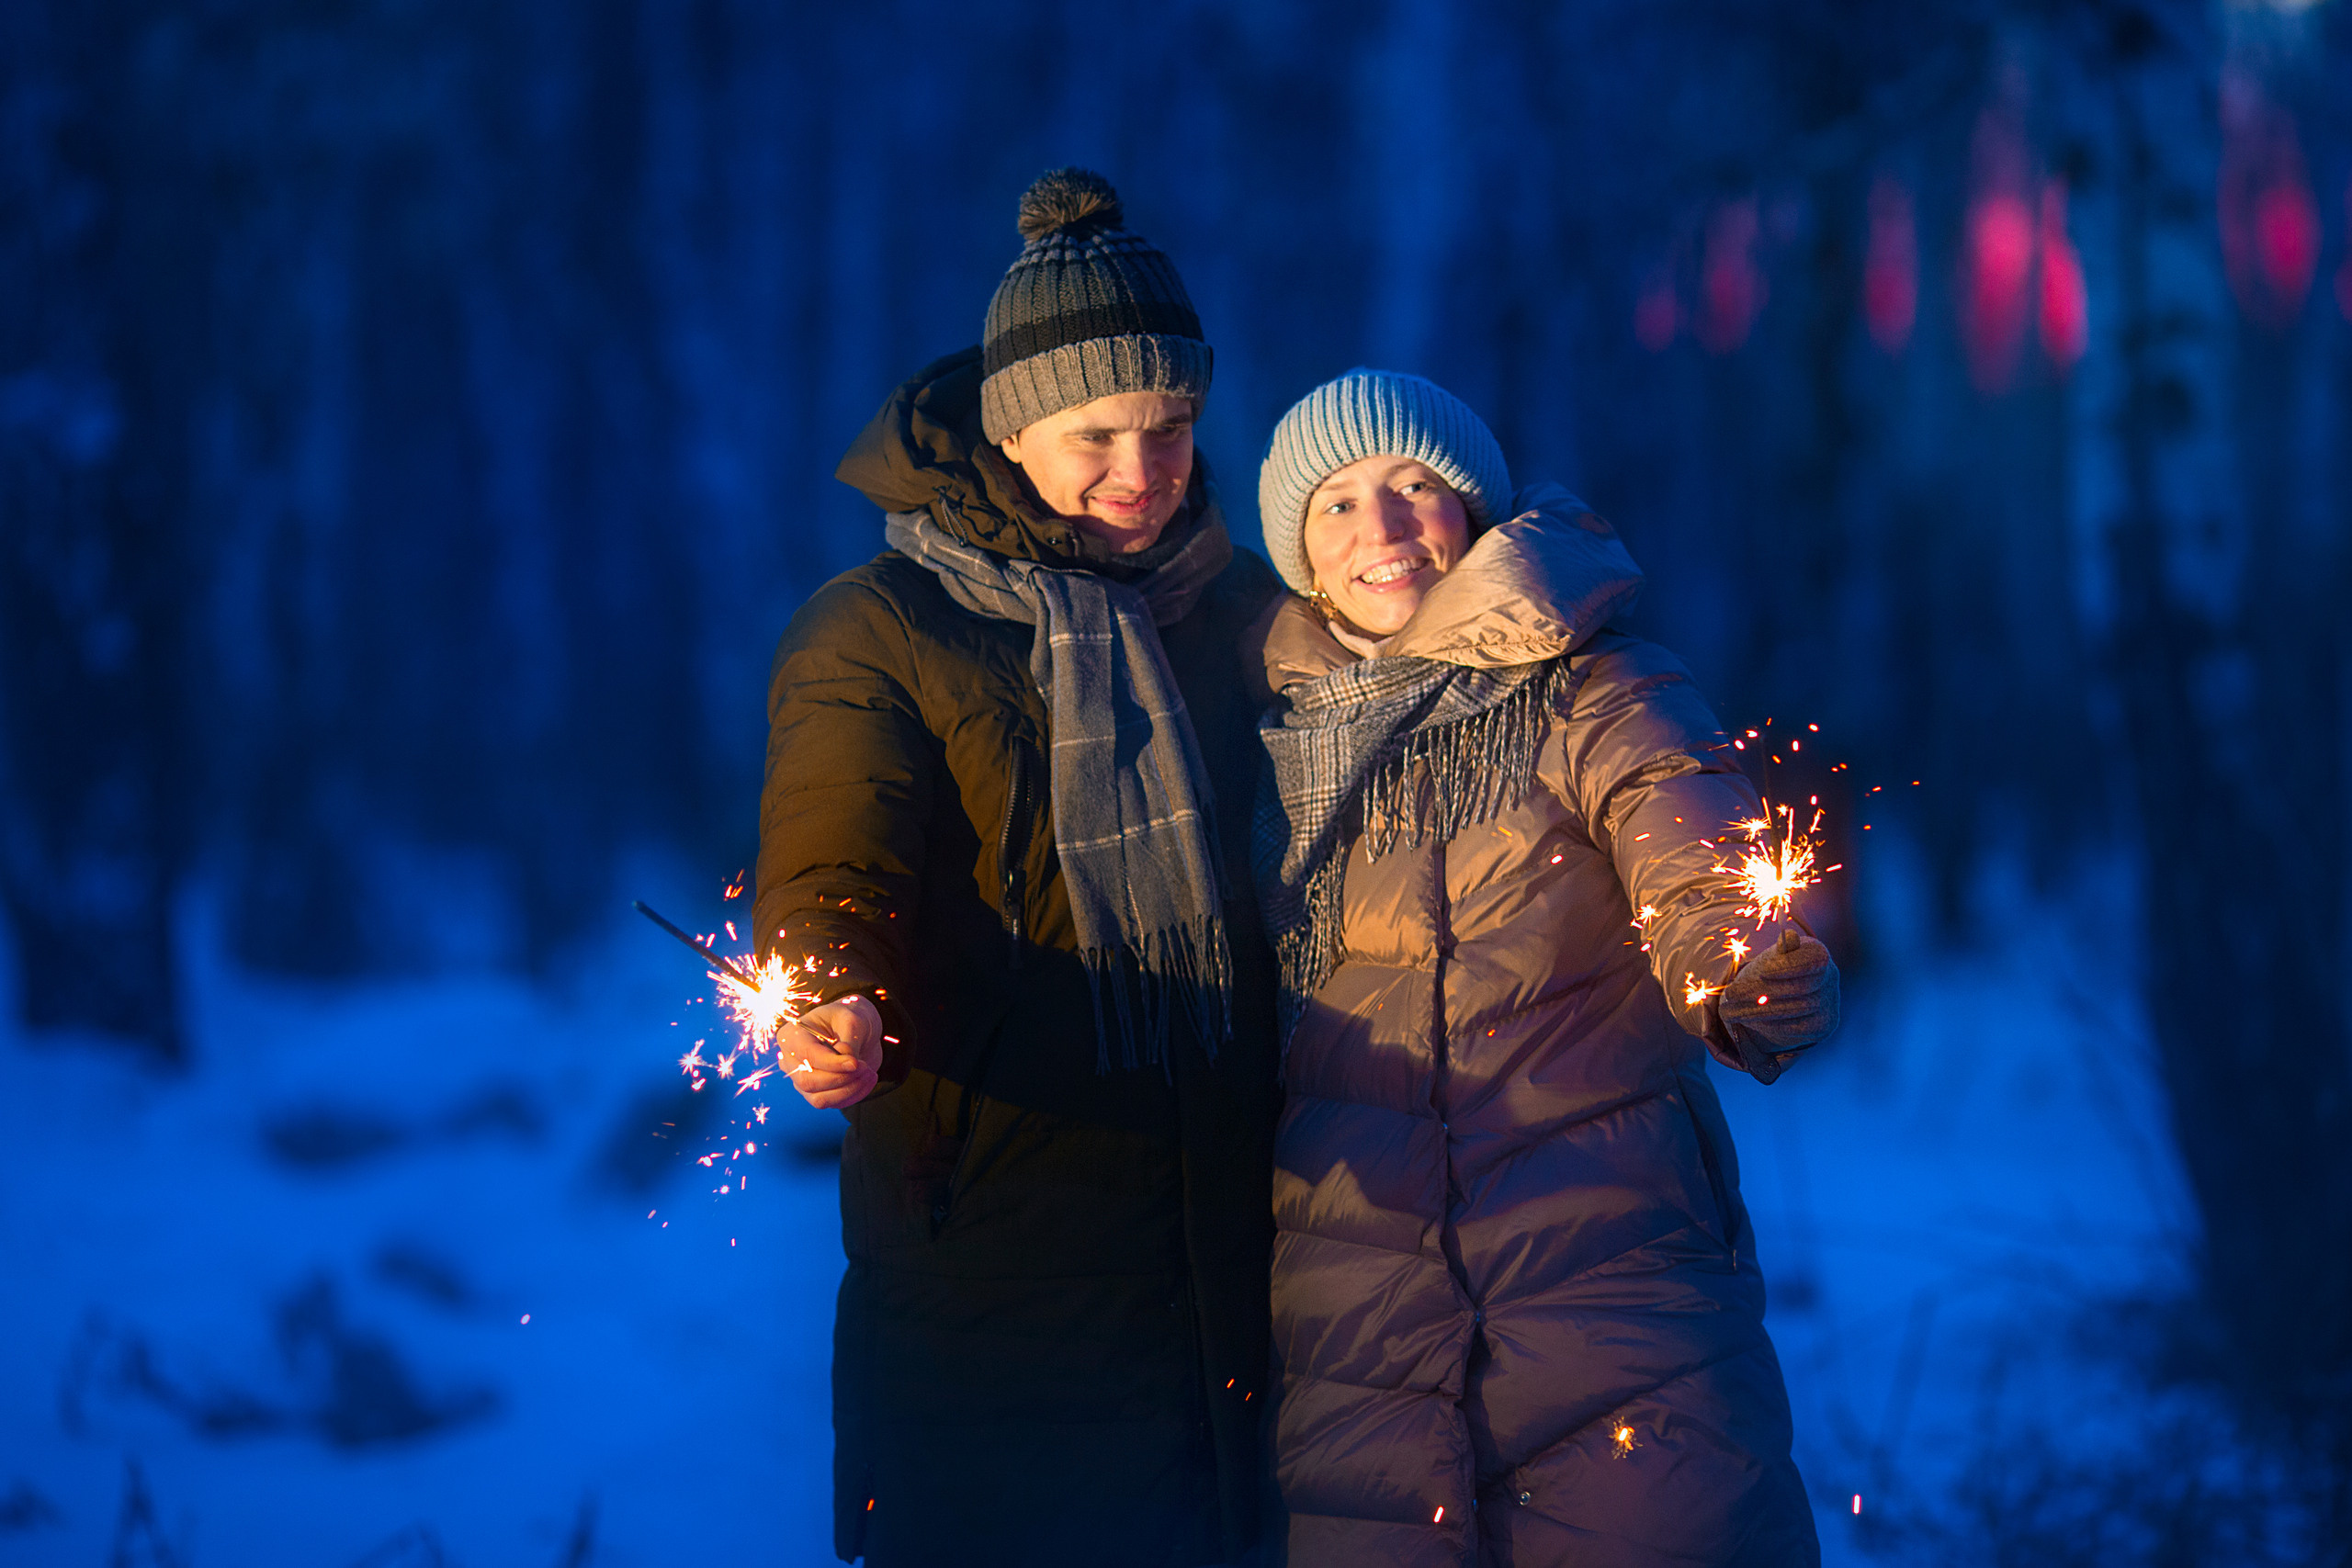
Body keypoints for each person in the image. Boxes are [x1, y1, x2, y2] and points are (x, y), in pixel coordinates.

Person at [752, 169, 1283, 1567]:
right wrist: (831, 990)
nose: (1142, 468)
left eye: (1169, 425)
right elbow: (835, 855)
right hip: (1001, 1232)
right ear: (1011, 428)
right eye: (1096, 430)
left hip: (1251, 1228)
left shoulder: (1244, 609)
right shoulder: (880, 628)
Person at [1249, 369, 1837, 1566]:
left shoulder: (1599, 689)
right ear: (1300, 555)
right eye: (1340, 504)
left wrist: (1738, 966)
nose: (1386, 526)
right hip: (1357, 1335)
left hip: (1608, 1299)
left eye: (1416, 484)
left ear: (1475, 508)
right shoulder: (1264, 753)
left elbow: (1689, 839)